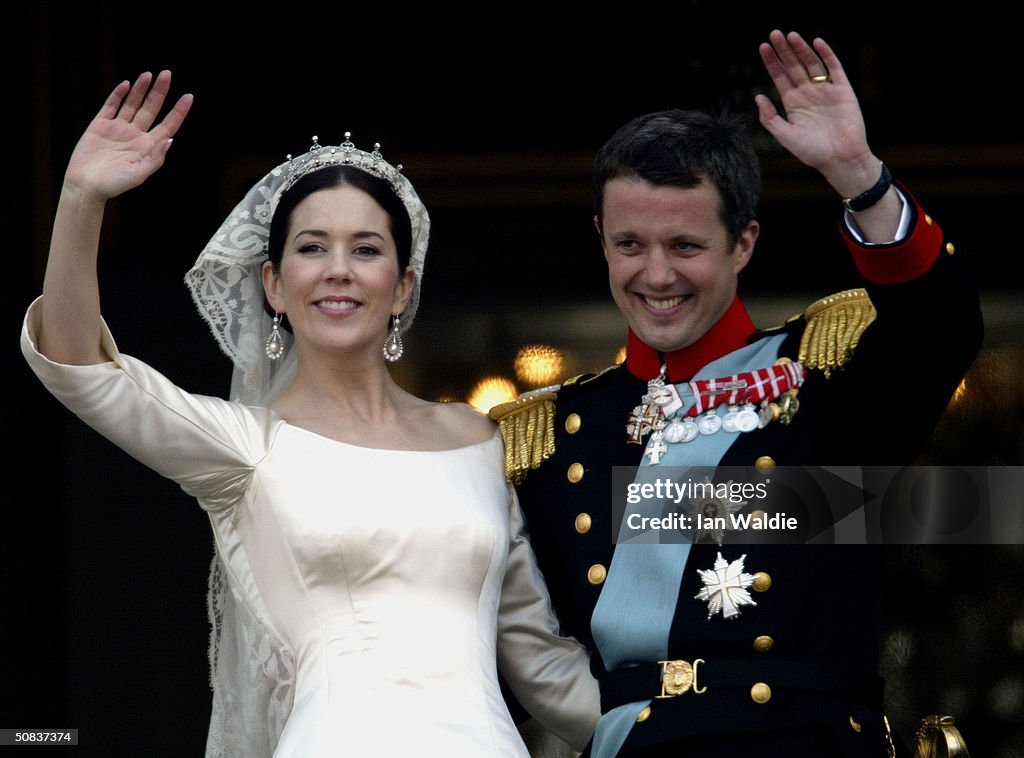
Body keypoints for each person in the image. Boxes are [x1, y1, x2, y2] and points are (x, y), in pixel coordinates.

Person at [21, 70, 602, 756]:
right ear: (273, 283)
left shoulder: (475, 439)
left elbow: (543, 666)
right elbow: (78, 366)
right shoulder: (244, 448)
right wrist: (81, 197)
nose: (338, 269)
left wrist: (700, 722)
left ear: (402, 284)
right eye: (311, 247)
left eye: (366, 249)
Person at [489, 29, 983, 757]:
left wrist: (860, 176)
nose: (656, 276)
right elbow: (502, 660)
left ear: (743, 243)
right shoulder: (553, 432)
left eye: (685, 247)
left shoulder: (828, 378)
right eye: (631, 245)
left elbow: (941, 328)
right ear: (600, 236)